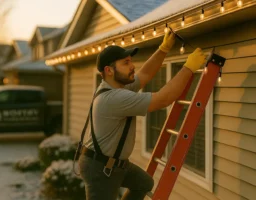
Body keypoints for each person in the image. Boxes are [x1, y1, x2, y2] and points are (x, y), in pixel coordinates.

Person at [77, 30, 207, 200]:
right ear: (109, 70)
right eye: (126, 63)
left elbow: (144, 75)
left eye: (130, 61)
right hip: (101, 168)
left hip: (114, 164)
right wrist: (188, 68)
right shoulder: (114, 98)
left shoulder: (116, 86)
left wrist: (163, 49)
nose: (132, 66)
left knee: (143, 183)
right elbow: (163, 99)